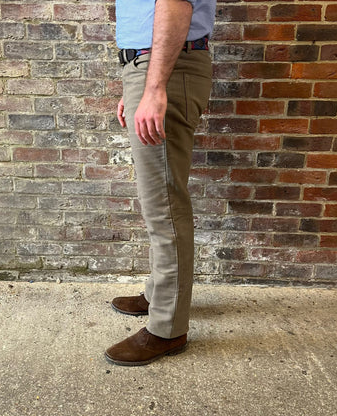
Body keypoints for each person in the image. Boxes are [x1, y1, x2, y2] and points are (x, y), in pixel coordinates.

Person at [105, 0, 217, 366]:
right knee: (160, 202)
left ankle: (167, 328)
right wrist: (137, 85)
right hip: (156, 65)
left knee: (164, 205)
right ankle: (159, 295)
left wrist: (152, 88)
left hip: (166, 68)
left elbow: (174, 4)